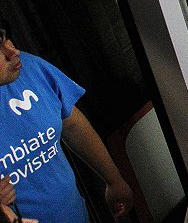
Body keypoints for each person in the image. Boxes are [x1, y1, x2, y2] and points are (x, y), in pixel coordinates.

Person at [0, 22, 134, 223]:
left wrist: (114, 181)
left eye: (4, 37)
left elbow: (72, 124)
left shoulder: (30, 68)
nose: (13, 51)